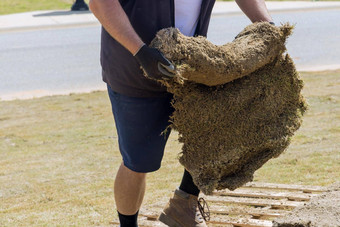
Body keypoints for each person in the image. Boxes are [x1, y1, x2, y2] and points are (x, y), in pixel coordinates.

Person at [89, 0, 273, 226]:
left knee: (218, 127)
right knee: (139, 162)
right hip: (135, 69)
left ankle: (184, 205)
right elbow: (100, 3)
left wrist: (268, 27)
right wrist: (140, 51)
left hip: (191, 64)